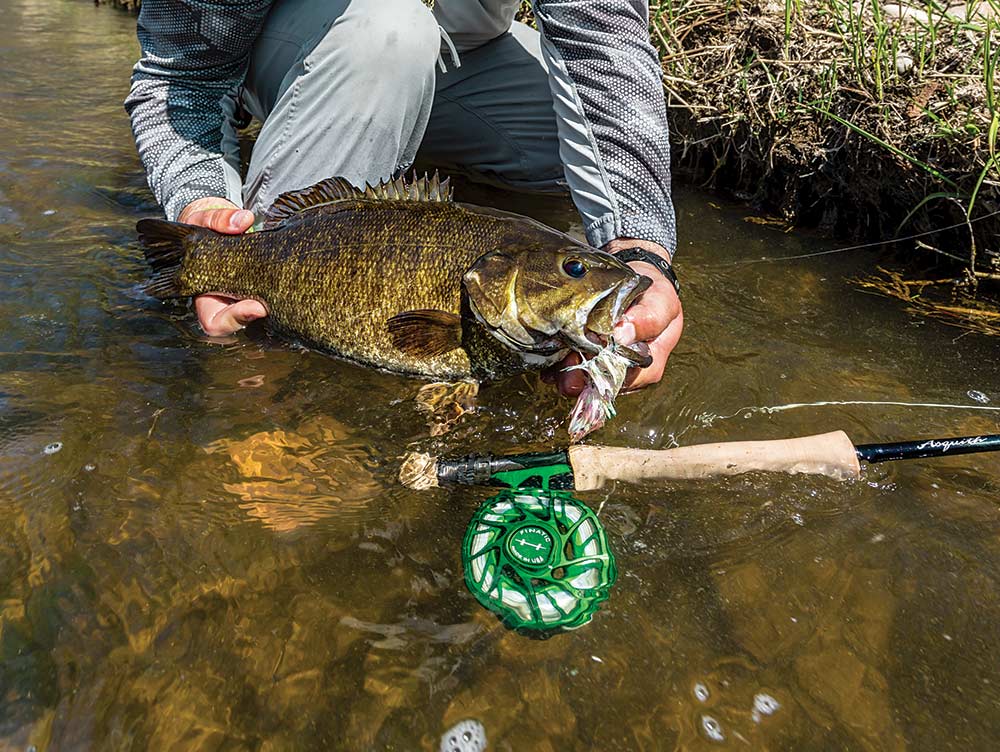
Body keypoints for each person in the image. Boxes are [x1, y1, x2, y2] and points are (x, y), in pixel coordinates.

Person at [125, 0, 683, 395]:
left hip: (462, 46)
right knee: (389, 32)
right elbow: (183, 79)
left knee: (561, 139)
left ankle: (391, 138)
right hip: (310, 43)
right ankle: (266, 325)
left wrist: (641, 247)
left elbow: (602, 42)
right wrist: (200, 201)